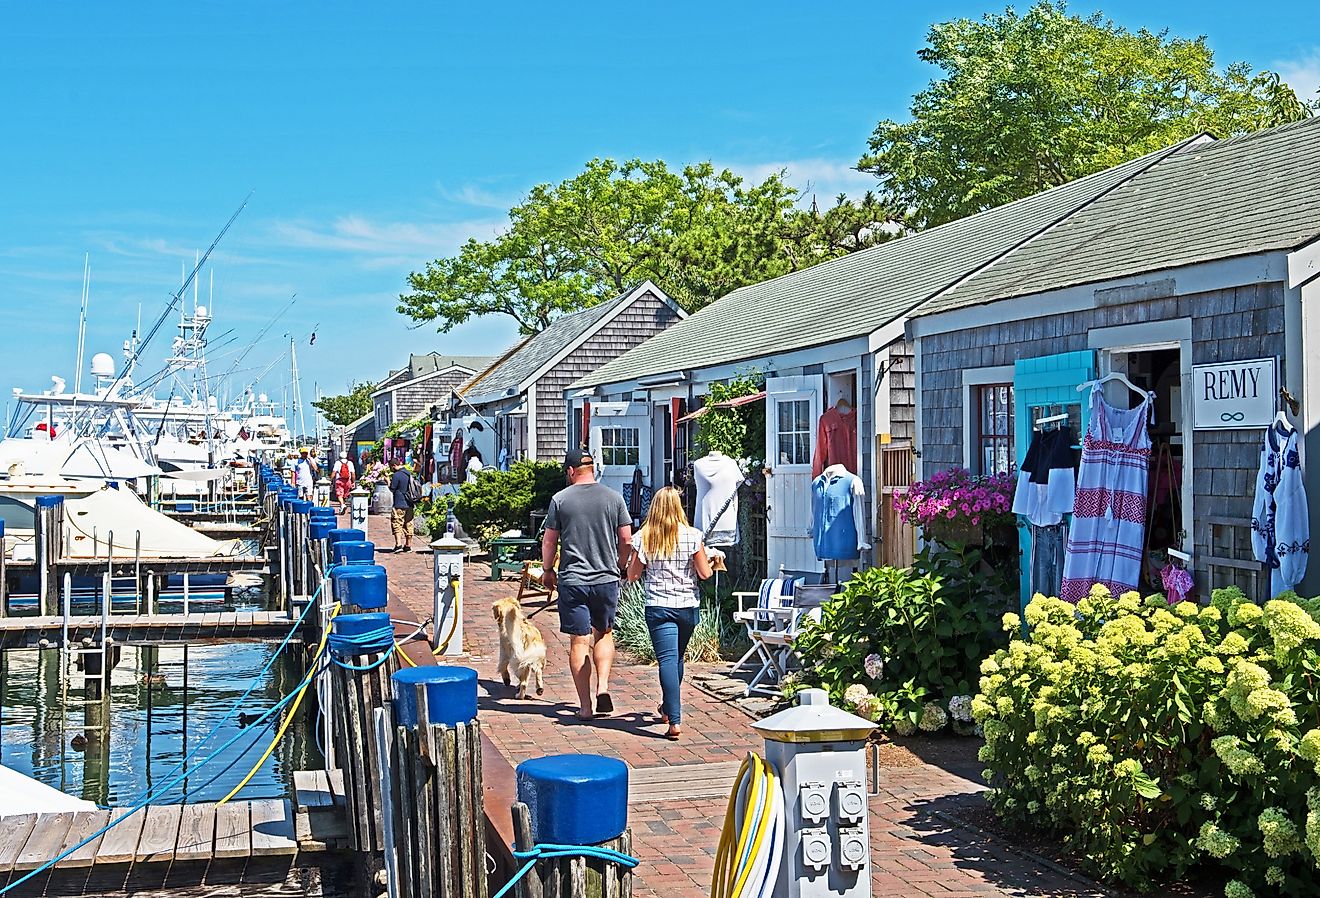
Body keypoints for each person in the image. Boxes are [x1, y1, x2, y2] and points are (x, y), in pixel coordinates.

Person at [541, 449, 632, 721]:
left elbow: (549, 541)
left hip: (573, 579)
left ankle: (585, 706)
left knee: (579, 641)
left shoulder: (560, 500)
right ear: (593, 468)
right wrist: (621, 566)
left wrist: (547, 570)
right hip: (606, 578)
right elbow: (626, 540)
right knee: (603, 633)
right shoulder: (614, 498)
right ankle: (602, 686)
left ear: (570, 471)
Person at [626, 487, 713, 740]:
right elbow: (705, 573)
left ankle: (674, 720)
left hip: (659, 605)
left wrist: (634, 556)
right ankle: (667, 710)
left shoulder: (644, 537)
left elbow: (633, 575)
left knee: (667, 660)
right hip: (686, 605)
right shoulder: (692, 536)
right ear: (678, 507)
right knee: (676, 659)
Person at [388, 458, 417, 552]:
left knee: (397, 523)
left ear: (393, 466)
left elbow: (392, 488)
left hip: (399, 503)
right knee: (409, 523)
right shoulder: (408, 474)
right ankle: (408, 545)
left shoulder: (397, 475)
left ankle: (398, 544)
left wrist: (387, 480)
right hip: (410, 503)